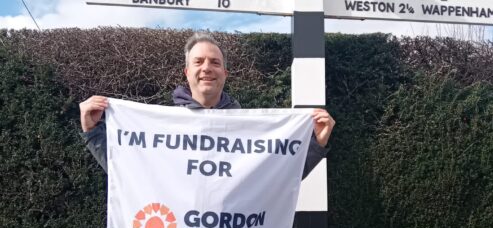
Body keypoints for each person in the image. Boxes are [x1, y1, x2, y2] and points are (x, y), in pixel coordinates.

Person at [79, 32, 335, 178]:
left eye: (214, 62)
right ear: (187, 72)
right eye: (199, 62)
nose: (206, 68)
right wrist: (93, 133)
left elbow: (277, 181)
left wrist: (316, 144)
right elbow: (130, 174)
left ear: (225, 72)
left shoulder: (249, 128)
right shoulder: (161, 125)